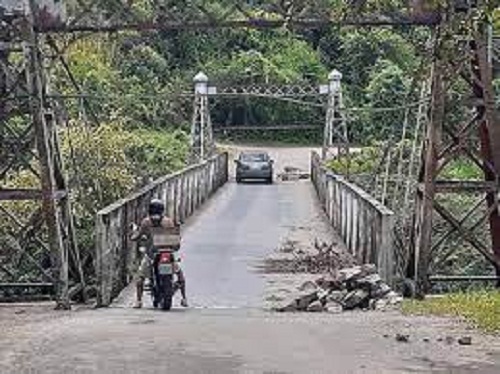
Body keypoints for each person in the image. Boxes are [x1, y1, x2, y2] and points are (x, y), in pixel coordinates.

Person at [130, 199, 188, 309]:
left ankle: (138, 301)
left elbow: (137, 236)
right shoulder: (169, 221)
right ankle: (184, 298)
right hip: (168, 252)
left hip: (153, 254)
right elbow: (175, 238)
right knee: (179, 275)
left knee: (140, 277)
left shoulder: (146, 222)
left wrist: (133, 235)